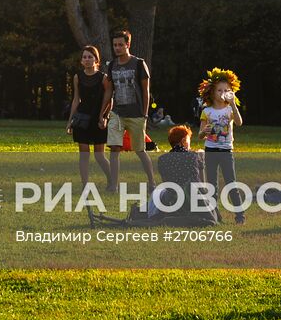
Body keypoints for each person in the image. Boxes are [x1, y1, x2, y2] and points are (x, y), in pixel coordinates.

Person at [105, 30, 154, 193]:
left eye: (120, 44)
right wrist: (103, 112)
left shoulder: (139, 64)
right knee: (114, 148)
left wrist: (145, 114)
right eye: (115, 45)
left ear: (128, 44)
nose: (117, 48)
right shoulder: (111, 65)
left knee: (140, 150)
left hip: (136, 114)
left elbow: (146, 90)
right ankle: (113, 185)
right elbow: (108, 91)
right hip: (117, 113)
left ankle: (152, 182)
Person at [198, 68, 246, 224]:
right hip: (210, 150)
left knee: (231, 183)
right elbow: (200, 134)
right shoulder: (207, 111)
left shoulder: (229, 109)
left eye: (227, 90)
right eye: (219, 90)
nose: (223, 93)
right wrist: (203, 131)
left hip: (226, 151)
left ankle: (240, 216)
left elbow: (239, 122)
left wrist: (233, 104)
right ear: (212, 92)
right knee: (212, 185)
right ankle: (214, 216)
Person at [151, 125, 219, 225]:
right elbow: (201, 186)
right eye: (188, 140)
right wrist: (202, 162)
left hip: (172, 200)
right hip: (190, 201)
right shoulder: (193, 156)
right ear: (183, 141)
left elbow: (166, 183)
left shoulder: (162, 159)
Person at [65, 45, 112, 190]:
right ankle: (85, 185)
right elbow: (76, 100)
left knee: (99, 156)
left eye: (90, 57)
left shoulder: (104, 78)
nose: (87, 59)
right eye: (84, 57)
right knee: (84, 155)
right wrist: (70, 121)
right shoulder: (77, 77)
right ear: (81, 61)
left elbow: (109, 99)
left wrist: (104, 117)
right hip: (82, 119)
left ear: (96, 60)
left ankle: (112, 180)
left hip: (98, 119)